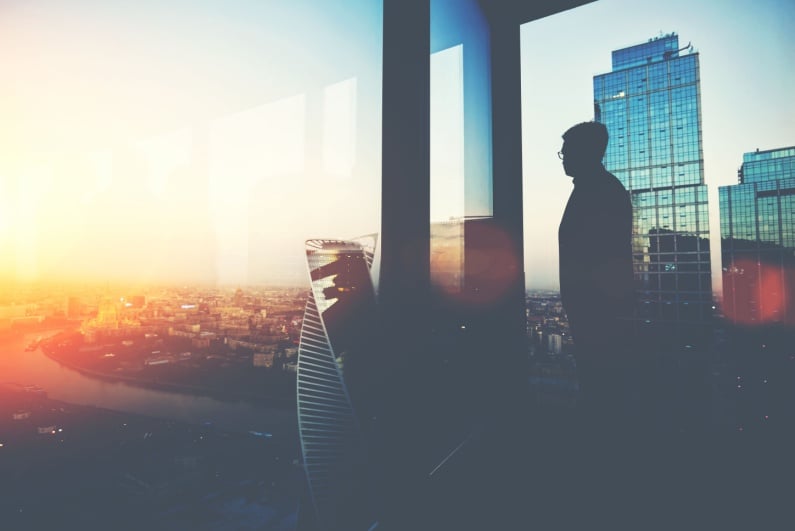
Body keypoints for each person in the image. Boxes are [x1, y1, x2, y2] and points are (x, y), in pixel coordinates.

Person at [557, 121, 635, 433]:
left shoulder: (600, 191)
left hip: (597, 309)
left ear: (586, 152)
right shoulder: (598, 188)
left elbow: (601, 255)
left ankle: (596, 437)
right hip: (595, 307)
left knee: (600, 384)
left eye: (566, 152)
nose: (563, 157)